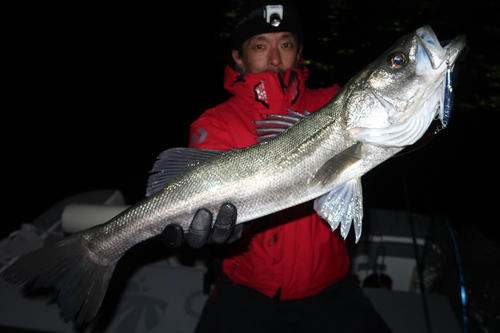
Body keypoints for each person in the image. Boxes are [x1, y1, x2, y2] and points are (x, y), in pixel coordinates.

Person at [162, 1, 392, 332]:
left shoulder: (335, 103)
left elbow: (397, 128)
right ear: (238, 57)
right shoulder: (214, 123)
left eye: (286, 44)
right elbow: (199, 192)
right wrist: (217, 236)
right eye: (260, 45)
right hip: (245, 294)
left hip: (331, 290)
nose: (274, 58)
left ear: (300, 54)